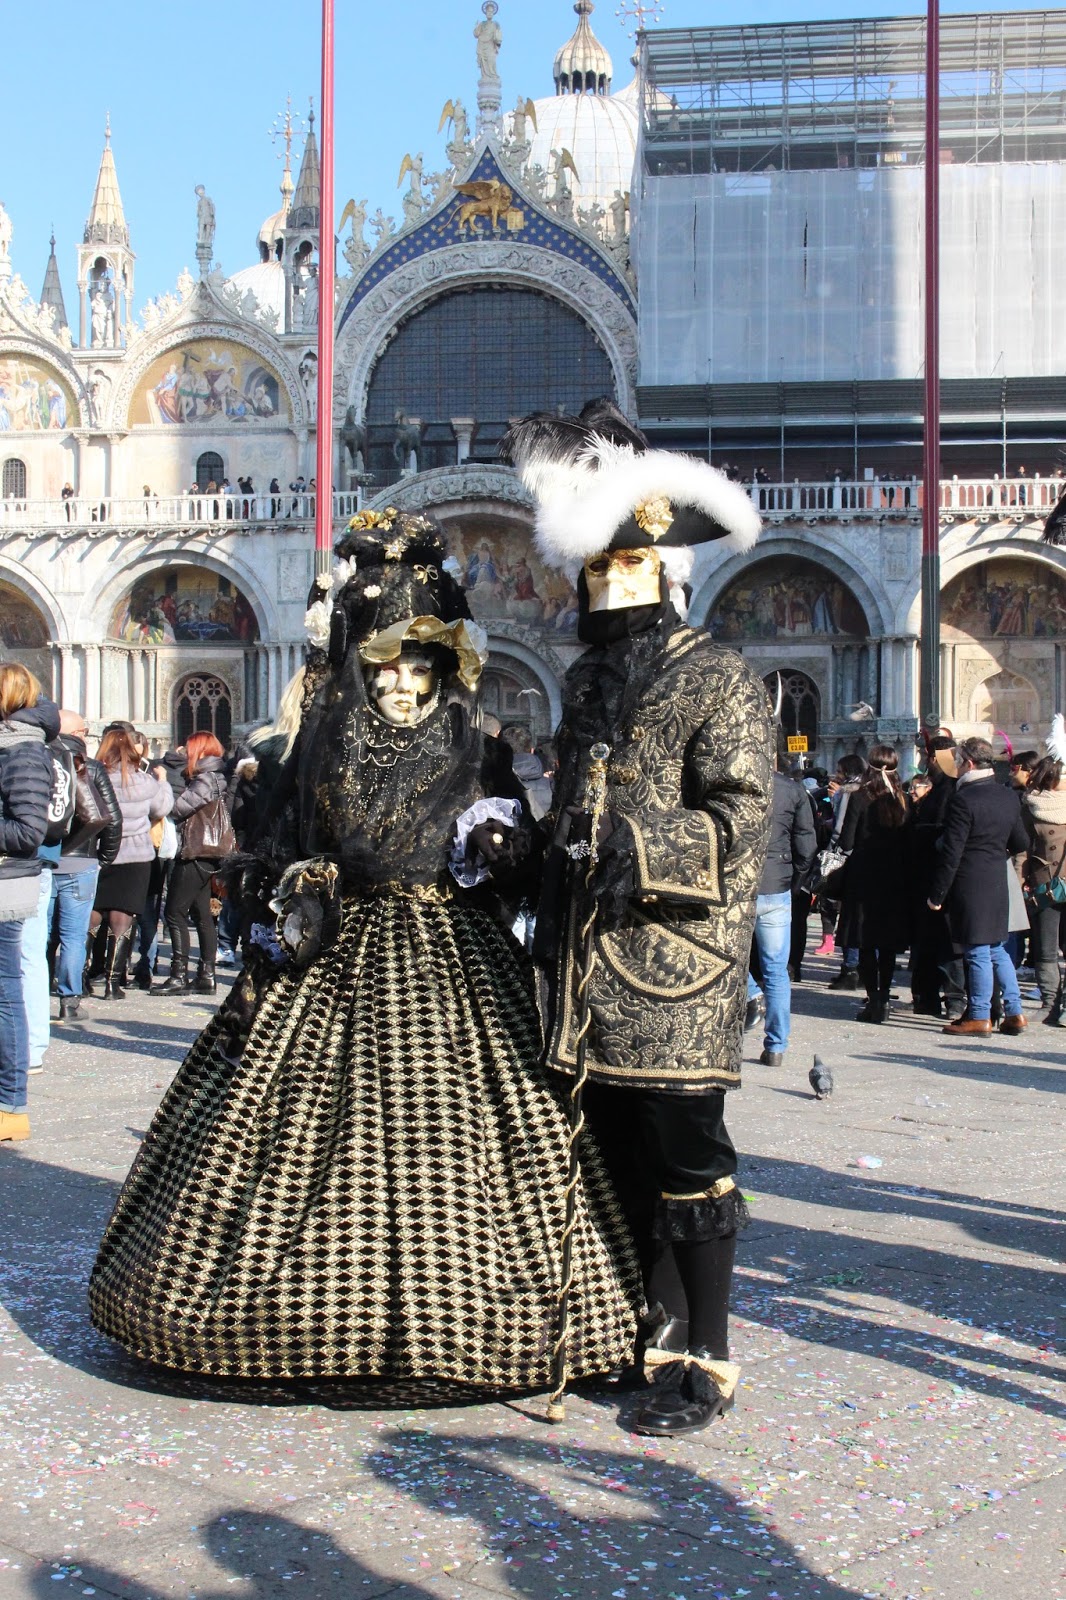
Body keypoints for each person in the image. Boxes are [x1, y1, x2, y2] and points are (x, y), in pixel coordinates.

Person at [90, 510, 638, 1388]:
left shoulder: (478, 753)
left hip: (452, 961)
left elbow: (519, 860)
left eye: (420, 665)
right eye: (386, 663)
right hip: (335, 958)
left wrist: (502, 847)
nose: (402, 683)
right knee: (297, 1143)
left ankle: (466, 1316)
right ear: (363, 665)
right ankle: (308, 1316)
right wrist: (295, 896)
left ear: (444, 671)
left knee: (462, 1143)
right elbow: (274, 852)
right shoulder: (320, 747)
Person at [507, 400, 772, 1436]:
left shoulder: (718, 677)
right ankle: (646, 1335)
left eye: (624, 566)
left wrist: (639, 845)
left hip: (676, 967)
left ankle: (707, 1356)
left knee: (686, 1154)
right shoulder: (586, 680)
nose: (605, 585)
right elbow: (575, 807)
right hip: (585, 963)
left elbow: (740, 819)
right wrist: (525, 846)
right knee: (613, 1151)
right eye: (594, 567)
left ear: (661, 569)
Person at [928, 737, 1029, 1037]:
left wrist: (937, 894)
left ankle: (980, 1015)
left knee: (976, 951)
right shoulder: (1007, 795)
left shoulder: (964, 799)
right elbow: (1021, 841)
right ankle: (1015, 1012)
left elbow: (952, 852)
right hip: (997, 878)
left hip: (970, 882)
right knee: (997, 949)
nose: (957, 767)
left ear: (969, 763)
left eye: (959, 762)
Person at [0, 664, 56, 1142]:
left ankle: (10, 1104)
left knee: (5, 991)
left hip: (6, 884)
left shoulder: (23, 750)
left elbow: (27, 831)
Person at [89, 729, 173, 1000]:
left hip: (101, 852)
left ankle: (81, 975)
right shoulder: (142, 781)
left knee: (93, 911)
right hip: (135, 855)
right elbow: (161, 808)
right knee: (123, 914)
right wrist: (163, 782)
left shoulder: (95, 778)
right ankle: (113, 983)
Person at [51, 713, 122, 1023]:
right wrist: (102, 859)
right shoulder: (91, 767)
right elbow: (112, 819)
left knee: (40, 935)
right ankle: (69, 1000)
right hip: (81, 862)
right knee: (73, 936)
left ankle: (35, 996)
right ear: (78, 734)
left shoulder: (40, 760)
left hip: (43, 859)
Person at [746, 751, 817, 1065]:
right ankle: (776, 1045)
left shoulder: (735, 783)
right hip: (777, 885)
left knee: (729, 958)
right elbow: (807, 844)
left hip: (741, 885)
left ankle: (751, 992)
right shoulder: (792, 789)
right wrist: (795, 880)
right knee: (776, 969)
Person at [836, 745, 911, 1024]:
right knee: (887, 941)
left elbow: (847, 840)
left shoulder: (860, 797)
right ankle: (885, 994)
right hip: (895, 876)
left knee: (865, 940)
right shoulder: (903, 799)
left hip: (864, 875)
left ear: (870, 766)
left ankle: (875, 1000)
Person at [157, 732, 229, 996]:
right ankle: (206, 976)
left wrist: (164, 783)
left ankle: (178, 975)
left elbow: (178, 808)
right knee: (202, 914)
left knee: (174, 912)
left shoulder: (205, 779)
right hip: (206, 853)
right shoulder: (215, 776)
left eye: (189, 749)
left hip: (195, 851)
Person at [910, 737, 966, 1020]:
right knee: (927, 941)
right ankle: (926, 997)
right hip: (926, 877)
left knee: (947, 941)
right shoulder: (940, 789)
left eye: (929, 756)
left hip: (942, 878)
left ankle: (953, 998)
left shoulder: (951, 790)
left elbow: (946, 837)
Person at [1020, 734, 1066, 1022]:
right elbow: (1022, 849)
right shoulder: (1031, 806)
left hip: (1057, 880)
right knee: (1046, 949)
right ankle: (1050, 1003)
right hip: (1045, 884)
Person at [825, 753, 866, 990]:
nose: (837, 776)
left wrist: (834, 853)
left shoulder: (849, 792)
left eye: (840, 771)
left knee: (849, 917)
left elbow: (840, 829)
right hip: (871, 862)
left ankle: (850, 968)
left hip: (849, 861)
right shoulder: (875, 791)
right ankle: (863, 967)